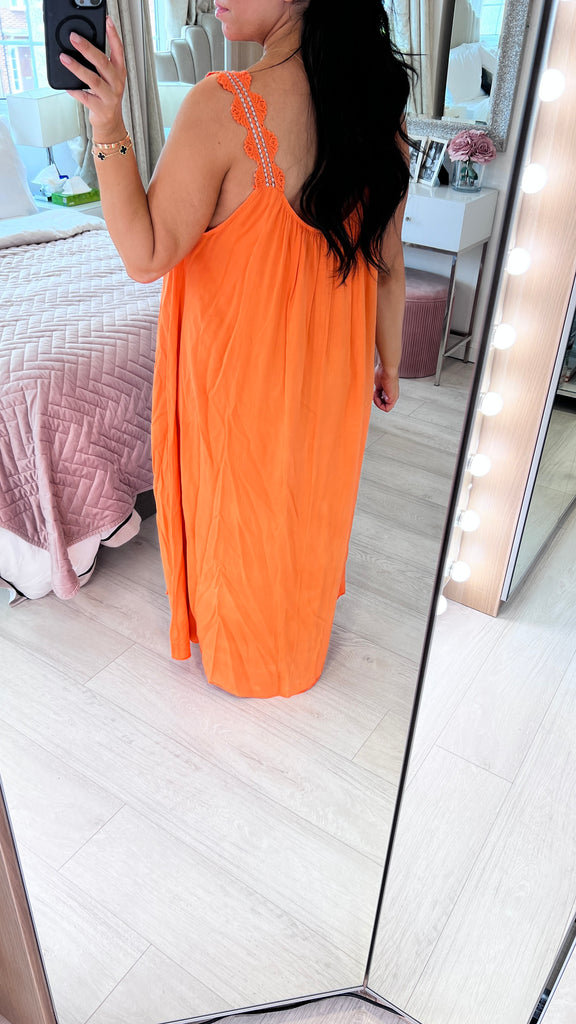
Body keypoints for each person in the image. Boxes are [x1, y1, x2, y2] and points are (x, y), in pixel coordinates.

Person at [61, 0, 412, 698]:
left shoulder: (222, 106)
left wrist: (108, 125)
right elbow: (389, 259)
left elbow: (146, 253)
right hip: (335, 376)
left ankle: (247, 662)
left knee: (241, 519)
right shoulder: (379, 114)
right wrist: (389, 362)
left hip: (240, 385)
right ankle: (296, 646)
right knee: (309, 506)